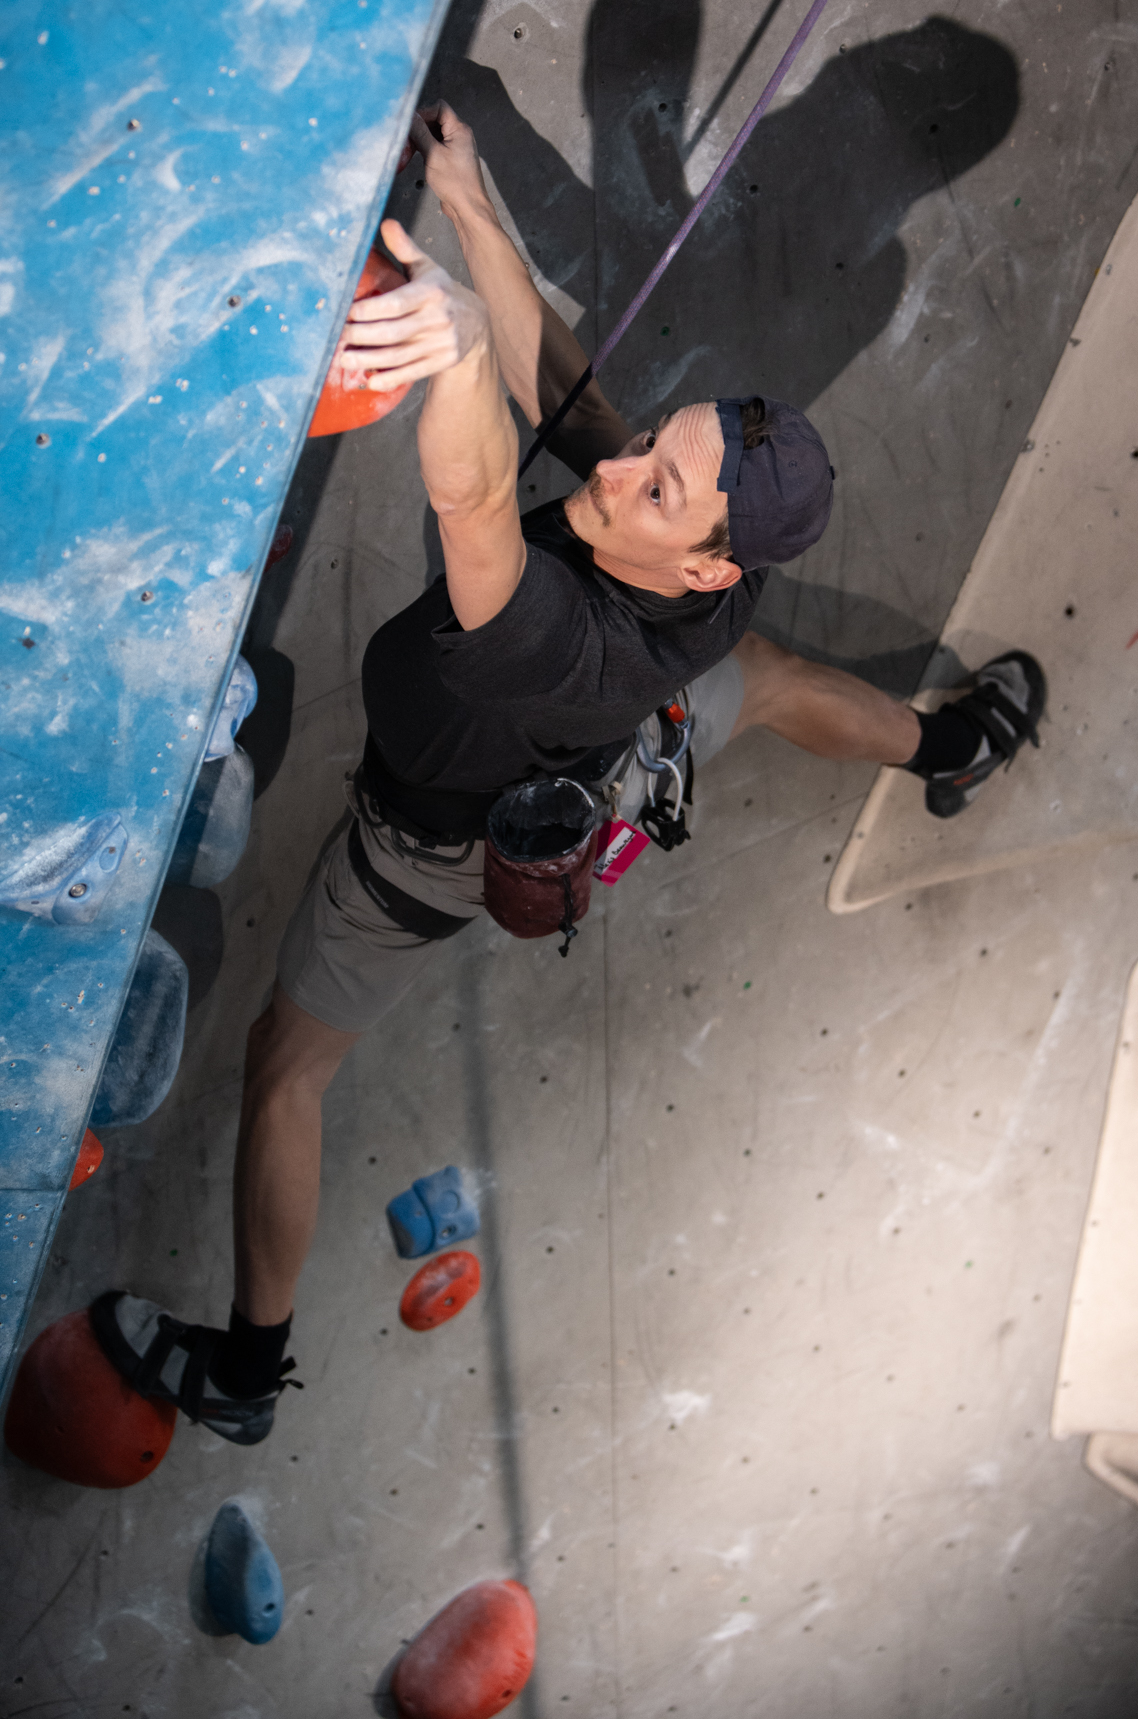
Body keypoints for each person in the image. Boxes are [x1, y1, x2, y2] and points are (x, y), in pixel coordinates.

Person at [90, 106, 1044, 1443]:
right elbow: (577, 401)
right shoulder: (706, 570)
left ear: (706, 557)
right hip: (623, 754)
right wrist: (473, 204)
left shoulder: (542, 638)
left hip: (423, 855)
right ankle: (956, 745)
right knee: (755, 677)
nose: (625, 469)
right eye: (660, 447)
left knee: (285, 1068)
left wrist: (453, 356)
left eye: (659, 489)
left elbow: (476, 502)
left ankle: (248, 1374)